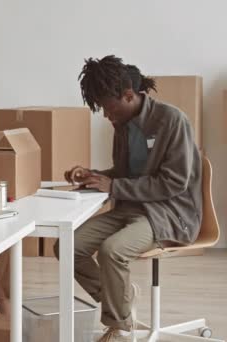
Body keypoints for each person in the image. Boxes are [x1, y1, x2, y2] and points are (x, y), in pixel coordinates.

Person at [55, 55, 202, 342]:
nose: (107, 116)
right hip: (130, 208)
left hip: (168, 213)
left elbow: (173, 182)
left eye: (109, 108)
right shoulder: (122, 126)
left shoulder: (172, 120)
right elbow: (123, 175)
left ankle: (119, 328)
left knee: (113, 250)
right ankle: (120, 298)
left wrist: (113, 185)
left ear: (129, 95)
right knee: (67, 246)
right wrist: (93, 175)